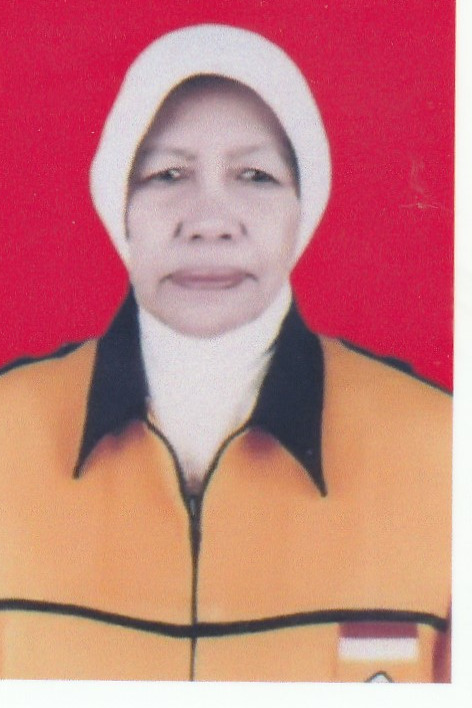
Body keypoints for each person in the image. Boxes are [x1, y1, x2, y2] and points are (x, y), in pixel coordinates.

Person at [0, 24, 451, 682]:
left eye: (255, 176)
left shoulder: (443, 450)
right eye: (168, 174)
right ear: (117, 201)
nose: (210, 222)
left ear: (305, 205)